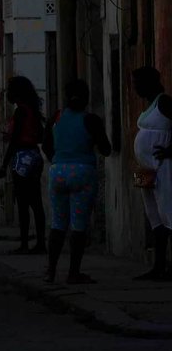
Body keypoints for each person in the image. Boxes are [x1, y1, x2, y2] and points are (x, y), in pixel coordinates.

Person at [41, 80, 111, 284]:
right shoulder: (90, 119)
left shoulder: (56, 117)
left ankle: (50, 271)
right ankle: (73, 273)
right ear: (87, 97)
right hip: (83, 172)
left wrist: (59, 158)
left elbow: (46, 145)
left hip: (58, 171)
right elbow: (106, 149)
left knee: (58, 223)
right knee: (78, 225)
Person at [132, 67, 172, 280]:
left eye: (138, 83)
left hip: (163, 168)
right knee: (153, 216)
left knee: (168, 214)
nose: (136, 88)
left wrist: (170, 150)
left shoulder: (164, 102)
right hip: (144, 169)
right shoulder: (149, 106)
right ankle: (158, 267)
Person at [2, 76, 47, 255]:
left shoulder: (20, 111)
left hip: (22, 157)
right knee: (36, 202)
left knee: (22, 203)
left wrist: (4, 164)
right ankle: (41, 242)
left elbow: (14, 141)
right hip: (34, 155)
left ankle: (24, 243)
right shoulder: (33, 111)